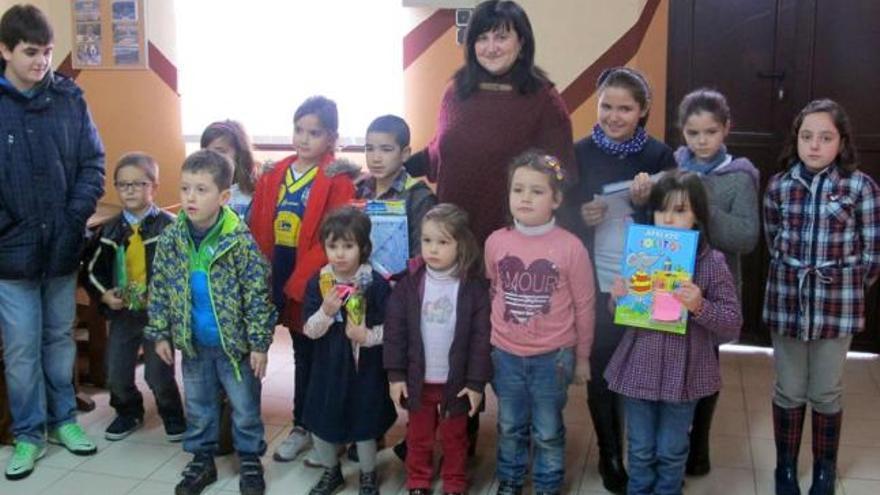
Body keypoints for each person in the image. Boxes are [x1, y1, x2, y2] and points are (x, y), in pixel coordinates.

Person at [0, 4, 105, 480]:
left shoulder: (69, 97)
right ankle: (27, 433)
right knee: (21, 348)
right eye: (29, 52)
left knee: (59, 340)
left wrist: (72, 219)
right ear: (5, 50)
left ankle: (64, 420)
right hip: (11, 255)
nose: (41, 61)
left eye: (45, 52)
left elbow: (92, 164)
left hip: (62, 246)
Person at [567, 66, 676, 494]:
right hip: (596, 279)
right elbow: (561, 215)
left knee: (646, 362)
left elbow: (678, 218)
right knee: (602, 366)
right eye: (606, 106)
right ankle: (612, 456)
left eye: (625, 108)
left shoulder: (658, 155)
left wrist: (649, 203)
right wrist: (582, 216)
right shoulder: (578, 151)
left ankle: (647, 454)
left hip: (645, 280)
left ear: (643, 110)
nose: (613, 116)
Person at [763, 99, 880, 495]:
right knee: (789, 389)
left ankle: (825, 471)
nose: (814, 145)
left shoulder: (861, 187)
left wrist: (844, 287)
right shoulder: (779, 186)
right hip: (787, 301)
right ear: (796, 139)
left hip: (837, 305)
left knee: (826, 390)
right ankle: (786, 469)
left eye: (825, 137)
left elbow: (872, 254)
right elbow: (772, 239)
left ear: (841, 142)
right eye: (806, 136)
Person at [146, 150, 276, 495]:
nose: (190, 197)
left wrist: (260, 344)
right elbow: (159, 285)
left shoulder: (239, 241)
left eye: (201, 190)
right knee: (200, 407)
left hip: (235, 348)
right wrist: (160, 331)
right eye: (186, 188)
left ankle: (250, 459)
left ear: (223, 197)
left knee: (245, 407)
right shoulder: (172, 238)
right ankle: (202, 461)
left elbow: (258, 297)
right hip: (194, 345)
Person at [605, 172, 743, 495]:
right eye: (661, 210)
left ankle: (669, 490)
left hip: (686, 375)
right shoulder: (641, 255)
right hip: (639, 369)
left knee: (671, 450)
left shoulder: (712, 263)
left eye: (680, 210)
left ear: (697, 215)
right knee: (639, 450)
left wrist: (699, 306)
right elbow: (622, 314)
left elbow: (732, 322)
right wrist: (618, 299)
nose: (668, 218)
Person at [406, 0, 576, 247]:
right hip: (452, 238)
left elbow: (562, 173)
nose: (491, 47)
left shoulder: (543, 99)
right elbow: (440, 152)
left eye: (501, 37)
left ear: (522, 42)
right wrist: (394, 167)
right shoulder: (456, 92)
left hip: (514, 241)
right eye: (482, 38)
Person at [248, 96, 358, 463]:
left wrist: (299, 282)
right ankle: (302, 425)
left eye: (315, 132)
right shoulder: (274, 172)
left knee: (322, 355)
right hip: (276, 270)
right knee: (300, 353)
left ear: (331, 138)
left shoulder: (336, 178)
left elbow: (337, 236)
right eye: (299, 130)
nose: (304, 139)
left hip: (315, 282)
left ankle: (322, 428)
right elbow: (258, 227)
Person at [485, 151, 595, 495]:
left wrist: (582, 358)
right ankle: (511, 481)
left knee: (547, 430)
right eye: (518, 189)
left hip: (553, 358)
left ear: (557, 199)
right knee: (509, 425)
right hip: (505, 354)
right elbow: (494, 290)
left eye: (537, 191)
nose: (525, 198)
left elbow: (585, 305)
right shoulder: (496, 241)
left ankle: (547, 485)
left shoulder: (571, 247)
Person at [672, 88, 760, 476]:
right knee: (674, 360)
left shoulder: (740, 177)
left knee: (705, 367)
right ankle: (673, 441)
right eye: (693, 133)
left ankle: (698, 448)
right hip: (672, 281)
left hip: (714, 286)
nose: (701, 141)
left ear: (726, 129)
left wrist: (703, 200)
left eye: (710, 131)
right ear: (682, 132)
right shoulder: (674, 165)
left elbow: (746, 238)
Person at [384, 204, 492, 495]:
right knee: (418, 436)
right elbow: (395, 333)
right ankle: (418, 480)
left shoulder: (474, 289)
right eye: (427, 240)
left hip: (455, 384)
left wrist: (475, 383)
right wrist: (395, 376)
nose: (433, 249)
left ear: (462, 244)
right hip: (420, 380)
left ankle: (455, 480)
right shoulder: (409, 285)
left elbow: (482, 341)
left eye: (443, 242)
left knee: (456, 437)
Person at [85, 153, 185, 442]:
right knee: (115, 371)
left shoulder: (171, 228)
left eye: (138, 184)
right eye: (122, 185)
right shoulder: (109, 230)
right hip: (123, 315)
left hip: (158, 316)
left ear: (153, 186)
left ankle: (172, 413)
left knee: (158, 373)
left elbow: (184, 270)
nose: (129, 190)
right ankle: (128, 411)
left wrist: (166, 296)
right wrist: (104, 295)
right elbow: (91, 270)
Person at [300, 206, 397, 495]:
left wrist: (366, 336)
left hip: (365, 367)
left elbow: (392, 330)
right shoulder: (318, 283)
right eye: (333, 246)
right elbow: (309, 330)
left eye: (348, 246)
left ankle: (368, 475)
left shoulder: (376, 284)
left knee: (364, 423)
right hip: (328, 365)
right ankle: (332, 472)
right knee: (321, 420)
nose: (340, 254)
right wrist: (326, 312)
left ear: (363, 247)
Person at [358, 114, 437, 261]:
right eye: (369, 149)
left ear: (405, 154)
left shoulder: (419, 198)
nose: (376, 158)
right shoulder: (358, 190)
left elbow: (422, 254)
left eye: (386, 150)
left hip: (401, 281)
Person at [201, 119, 260, 219]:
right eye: (206, 153)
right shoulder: (200, 189)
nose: (212, 158)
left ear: (239, 153)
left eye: (220, 151)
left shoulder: (256, 189)